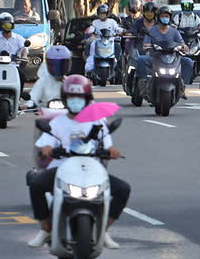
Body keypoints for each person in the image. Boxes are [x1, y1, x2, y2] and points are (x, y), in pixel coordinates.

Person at [27, 75, 130, 249]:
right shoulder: (57, 122)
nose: (76, 101)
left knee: (123, 189)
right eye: (71, 97)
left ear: (88, 99)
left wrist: (112, 152)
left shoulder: (98, 122)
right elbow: (45, 144)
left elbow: (108, 146)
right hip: (61, 169)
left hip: (92, 170)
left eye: (80, 97)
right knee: (36, 185)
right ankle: (45, 230)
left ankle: (103, 231)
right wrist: (46, 149)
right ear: (65, 99)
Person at [135, 5, 194, 89]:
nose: (165, 18)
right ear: (158, 18)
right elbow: (145, 45)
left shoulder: (174, 31)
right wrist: (152, 46)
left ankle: (182, 85)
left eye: (167, 16)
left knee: (188, 62)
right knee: (140, 60)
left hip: (172, 59)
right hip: (155, 58)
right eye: (162, 16)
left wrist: (184, 47)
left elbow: (181, 43)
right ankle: (142, 84)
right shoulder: (152, 30)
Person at [84, 4, 123, 75]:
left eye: (104, 13)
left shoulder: (112, 22)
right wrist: (91, 31)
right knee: (90, 45)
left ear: (107, 14)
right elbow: (91, 29)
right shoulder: (95, 22)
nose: (102, 15)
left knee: (117, 45)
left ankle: (118, 67)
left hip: (110, 42)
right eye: (101, 13)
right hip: (98, 42)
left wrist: (118, 31)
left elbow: (117, 28)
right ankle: (90, 67)